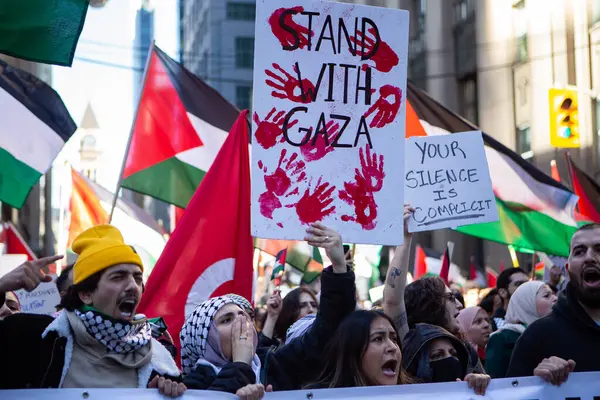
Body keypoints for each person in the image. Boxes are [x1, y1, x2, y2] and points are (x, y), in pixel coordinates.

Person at [0, 225, 185, 397]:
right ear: (86, 294)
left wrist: (157, 395)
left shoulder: (160, 362)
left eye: (137, 278)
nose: (132, 286)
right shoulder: (34, 336)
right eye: (118, 277)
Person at [181, 223, 356, 393]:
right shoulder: (189, 386)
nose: (242, 322)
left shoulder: (275, 364)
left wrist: (339, 267)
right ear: (205, 341)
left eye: (245, 315)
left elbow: (328, 331)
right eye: (227, 320)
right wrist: (241, 364)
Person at [507, 223, 600, 384]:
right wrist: (535, 383)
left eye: (599, 249)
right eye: (579, 252)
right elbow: (513, 392)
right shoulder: (538, 336)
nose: (589, 258)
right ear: (568, 269)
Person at [309, 310, 414, 388]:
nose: (392, 347)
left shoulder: (419, 394)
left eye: (394, 339)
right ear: (353, 351)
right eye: (378, 339)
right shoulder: (320, 396)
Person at [486, 281, 556, 378]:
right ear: (527, 304)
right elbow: (495, 384)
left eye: (554, 294)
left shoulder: (558, 334)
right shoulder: (501, 339)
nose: (555, 298)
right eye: (546, 295)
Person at [402, 323, 490, 396]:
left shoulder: (467, 390)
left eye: (454, 354)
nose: (449, 358)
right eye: (437, 355)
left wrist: (478, 387)